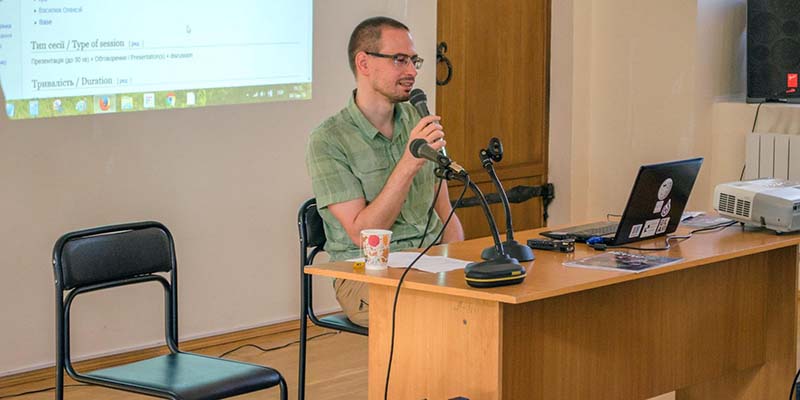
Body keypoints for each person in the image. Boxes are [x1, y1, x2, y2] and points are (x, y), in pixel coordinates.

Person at [305, 16, 464, 327]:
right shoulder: (328, 139)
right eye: (399, 60)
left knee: (491, 298)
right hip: (366, 273)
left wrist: (458, 265)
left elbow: (445, 212)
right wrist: (408, 163)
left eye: (414, 60)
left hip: (430, 262)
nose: (412, 71)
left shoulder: (418, 120)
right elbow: (365, 236)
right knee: (429, 313)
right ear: (364, 63)